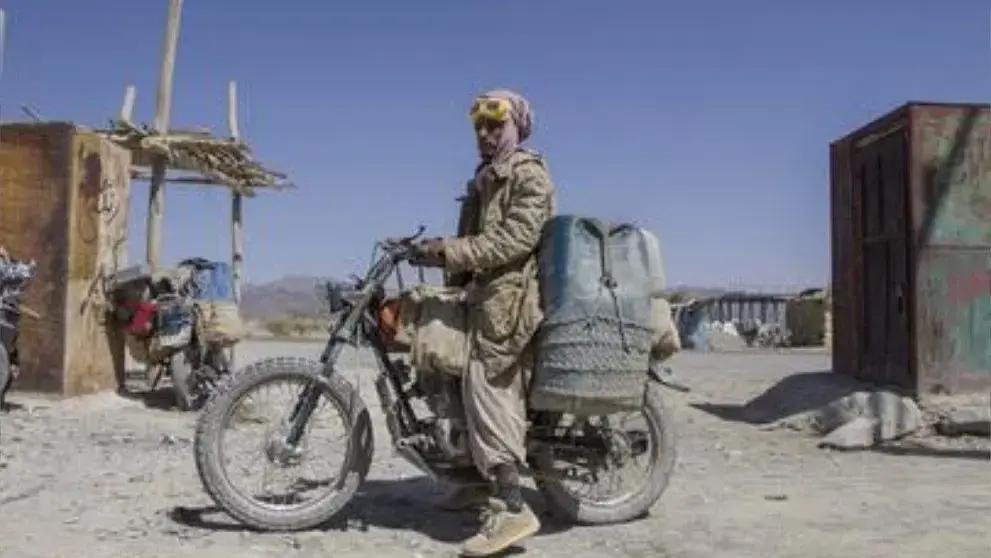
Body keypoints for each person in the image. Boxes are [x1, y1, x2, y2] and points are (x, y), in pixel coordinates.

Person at [411, 89, 555, 557]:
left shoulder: (529, 175)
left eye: (496, 125)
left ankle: (513, 507)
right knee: (440, 366)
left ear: (516, 127)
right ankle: (473, 479)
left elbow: (512, 241)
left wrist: (448, 251)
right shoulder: (484, 179)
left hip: (510, 304)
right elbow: (472, 242)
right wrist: (435, 252)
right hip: (482, 296)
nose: (486, 134)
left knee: (485, 386)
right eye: (480, 127)